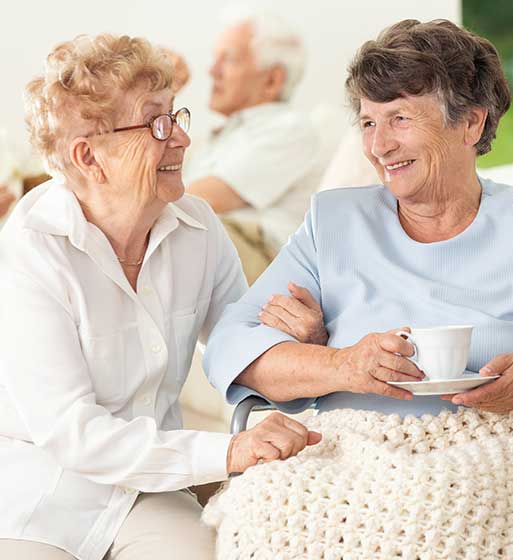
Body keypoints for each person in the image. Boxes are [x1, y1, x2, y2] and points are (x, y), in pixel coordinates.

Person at [204, 19, 513, 425]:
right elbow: (230, 342)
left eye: (399, 119)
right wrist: (339, 365)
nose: (378, 147)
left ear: (471, 123)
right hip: (349, 462)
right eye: (369, 123)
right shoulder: (333, 221)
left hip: (494, 460)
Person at [0, 34, 320, 560]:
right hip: (38, 490)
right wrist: (230, 451)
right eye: (155, 123)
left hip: (146, 493)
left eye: (176, 116)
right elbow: (73, 434)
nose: (181, 141)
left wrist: (300, 339)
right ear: (88, 156)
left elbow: (239, 347)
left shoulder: (197, 228)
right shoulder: (31, 251)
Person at [181, 5, 321, 283]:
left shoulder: (288, 129)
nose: (212, 71)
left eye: (229, 60)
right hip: (217, 240)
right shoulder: (222, 134)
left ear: (272, 79)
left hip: (255, 252)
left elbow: (198, 201)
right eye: (215, 59)